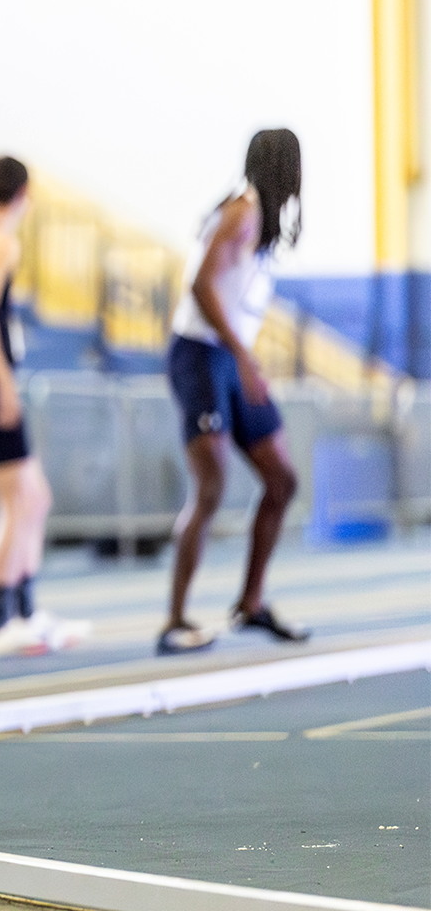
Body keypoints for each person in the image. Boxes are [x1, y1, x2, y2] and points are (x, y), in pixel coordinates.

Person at [158, 130, 308, 655]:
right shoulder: (242, 212)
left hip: (228, 356)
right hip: (200, 355)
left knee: (281, 478)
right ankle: (174, 619)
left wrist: (242, 352)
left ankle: (250, 602)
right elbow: (200, 283)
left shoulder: (259, 219)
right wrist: (242, 354)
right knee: (212, 486)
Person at [0, 158, 89, 656]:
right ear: (23, 195)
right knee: (16, 503)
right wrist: (4, 384)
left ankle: (27, 610)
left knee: (35, 498)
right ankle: (2, 620)